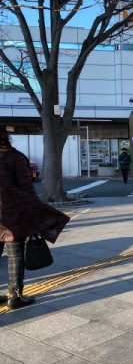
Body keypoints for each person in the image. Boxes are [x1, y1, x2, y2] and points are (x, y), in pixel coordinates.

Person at [0, 126, 70, 310]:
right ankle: (15, 295)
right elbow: (27, 191)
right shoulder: (14, 157)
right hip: (12, 214)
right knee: (15, 255)